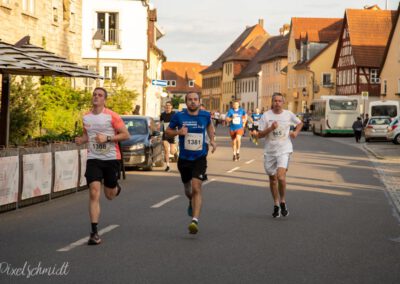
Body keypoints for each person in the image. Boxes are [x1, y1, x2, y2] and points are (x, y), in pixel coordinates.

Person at [75, 87, 130, 245]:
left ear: (104, 100)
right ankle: (94, 232)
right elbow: (88, 135)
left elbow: (126, 135)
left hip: (111, 159)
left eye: (99, 95)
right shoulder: (86, 117)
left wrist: (107, 138)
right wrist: (81, 139)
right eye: (94, 95)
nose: (96, 97)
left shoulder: (112, 116)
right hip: (94, 158)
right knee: (93, 193)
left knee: (110, 195)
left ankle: (115, 187)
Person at [166, 93, 216, 234]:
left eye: (195, 100)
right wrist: (178, 132)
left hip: (200, 158)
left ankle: (195, 220)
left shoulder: (205, 115)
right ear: (186, 102)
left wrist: (212, 140)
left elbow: (210, 127)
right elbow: (168, 132)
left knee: (196, 187)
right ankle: (191, 201)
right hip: (184, 159)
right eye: (190, 100)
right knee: (188, 190)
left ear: (200, 102)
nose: (193, 102)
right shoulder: (179, 116)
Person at [252, 93, 303, 218]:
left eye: (280, 101)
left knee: (280, 177)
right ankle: (276, 203)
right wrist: (270, 128)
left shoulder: (288, 114)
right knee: (272, 179)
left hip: (284, 149)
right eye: (275, 100)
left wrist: (296, 132)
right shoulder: (266, 116)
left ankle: (283, 201)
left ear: (283, 103)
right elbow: (259, 135)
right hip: (270, 151)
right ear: (272, 102)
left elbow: (300, 123)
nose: (277, 103)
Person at [160, 101, 177, 171]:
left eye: (169, 105)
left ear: (171, 107)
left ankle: (175, 153)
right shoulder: (162, 114)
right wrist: (160, 129)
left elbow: (178, 122)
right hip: (165, 134)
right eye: (166, 105)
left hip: (172, 134)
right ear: (165, 107)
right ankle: (167, 166)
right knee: (166, 150)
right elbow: (161, 123)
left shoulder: (174, 114)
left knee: (172, 152)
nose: (167, 107)